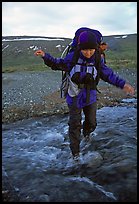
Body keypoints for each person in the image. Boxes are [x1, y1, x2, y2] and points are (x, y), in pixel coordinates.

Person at [34, 30, 135, 161]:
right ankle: (75, 155)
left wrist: (123, 84)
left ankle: (87, 136)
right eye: (85, 50)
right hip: (74, 95)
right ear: (80, 48)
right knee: (75, 124)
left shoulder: (98, 59)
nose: (88, 53)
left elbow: (108, 75)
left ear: (95, 48)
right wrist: (45, 56)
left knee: (92, 122)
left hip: (90, 95)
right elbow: (57, 64)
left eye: (91, 50)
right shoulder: (72, 57)